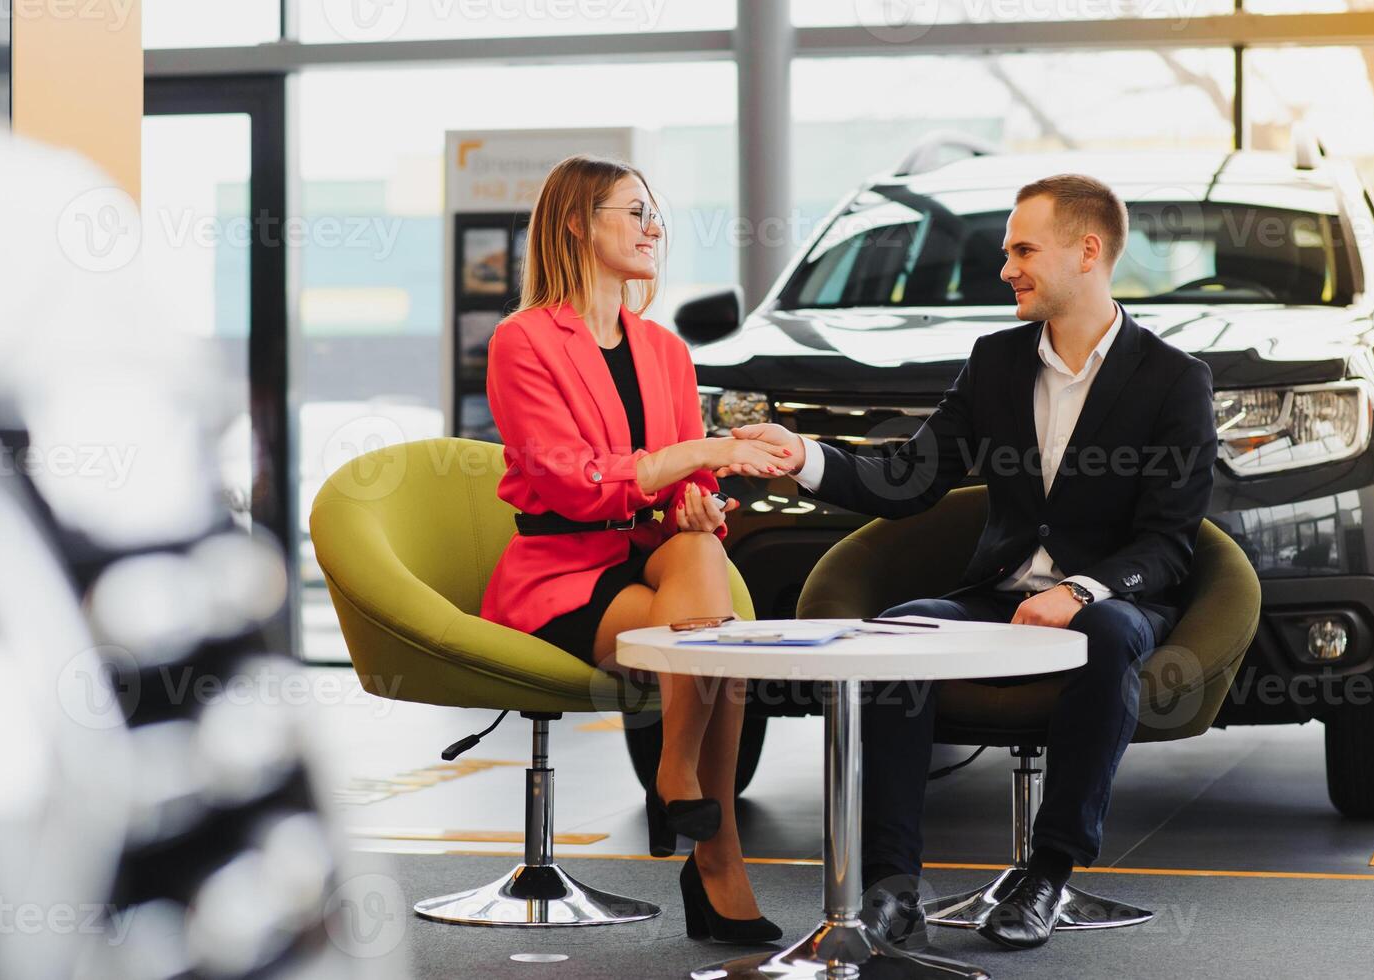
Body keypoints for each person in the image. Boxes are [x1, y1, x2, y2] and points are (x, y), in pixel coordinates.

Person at [726, 174, 1217, 950]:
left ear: (1087, 252)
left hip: (1114, 599)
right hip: (1001, 593)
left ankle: (1048, 874)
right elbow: (910, 476)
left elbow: (1166, 543)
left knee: (1109, 633)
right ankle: (891, 886)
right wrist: (803, 457)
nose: (1006, 268)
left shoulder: (1174, 381)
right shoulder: (994, 362)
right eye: (1006, 252)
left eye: (1023, 249)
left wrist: (1082, 591)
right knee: (899, 633)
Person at [479, 155, 785, 944]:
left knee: (702, 557)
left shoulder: (665, 349)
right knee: (720, 647)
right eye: (634, 211)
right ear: (577, 223)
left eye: (655, 214)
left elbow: (682, 484)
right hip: (563, 572)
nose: (655, 228)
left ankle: (676, 771)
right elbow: (576, 485)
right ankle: (717, 861)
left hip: (656, 556)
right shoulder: (523, 342)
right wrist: (695, 457)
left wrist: (698, 498)